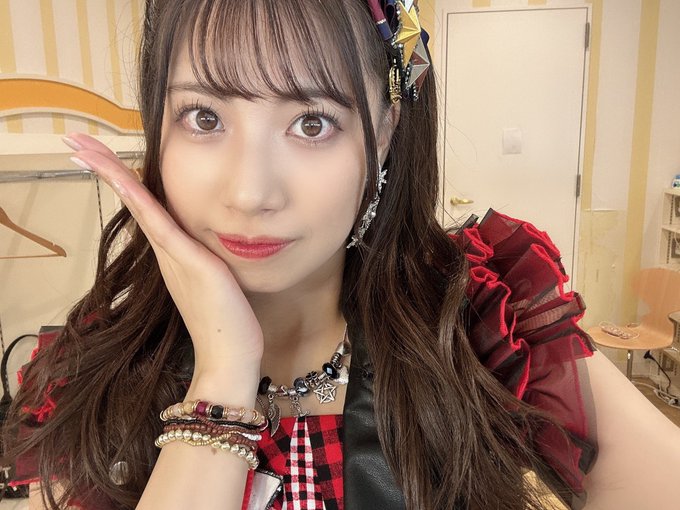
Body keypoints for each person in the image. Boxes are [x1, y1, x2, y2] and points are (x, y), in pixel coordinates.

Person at [4, 1, 680, 509]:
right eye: (204, 117)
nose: (250, 192)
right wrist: (222, 376)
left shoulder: (480, 327)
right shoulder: (90, 375)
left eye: (311, 123)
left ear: (384, 133)